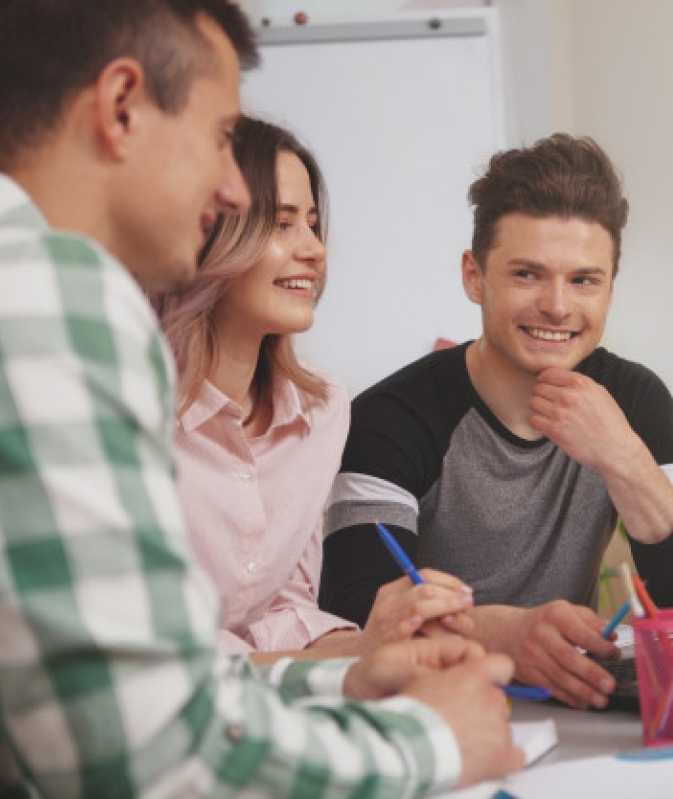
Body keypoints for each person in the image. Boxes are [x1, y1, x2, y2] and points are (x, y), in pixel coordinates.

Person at [0, 1, 521, 796]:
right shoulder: (43, 286)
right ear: (121, 107)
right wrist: (427, 742)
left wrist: (340, 680)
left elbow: (135, 693)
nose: (231, 190)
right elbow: (145, 751)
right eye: (221, 136)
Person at [321, 134, 673, 709]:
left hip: (571, 715)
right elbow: (354, 609)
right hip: (427, 709)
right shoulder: (391, 417)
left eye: (584, 280)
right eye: (528, 274)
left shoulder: (635, 400)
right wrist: (501, 633)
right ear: (474, 276)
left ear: (610, 289)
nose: (557, 306)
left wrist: (624, 459)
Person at [153, 116, 474, 665]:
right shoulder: (134, 414)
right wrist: (354, 657)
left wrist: (392, 641)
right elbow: (161, 653)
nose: (315, 250)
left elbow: (281, 610)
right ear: (207, 232)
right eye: (281, 225)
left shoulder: (322, 410)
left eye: (313, 223)